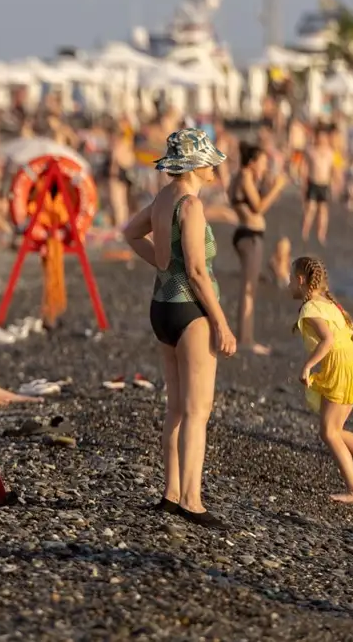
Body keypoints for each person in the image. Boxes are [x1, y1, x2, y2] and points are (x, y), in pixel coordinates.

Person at [122, 128, 236, 529]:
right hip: (190, 311)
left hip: (162, 307)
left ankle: (171, 494)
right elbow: (198, 271)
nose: (215, 168)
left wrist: (161, 263)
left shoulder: (162, 198)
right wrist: (221, 323)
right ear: (196, 166)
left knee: (175, 408)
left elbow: (130, 233)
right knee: (196, 412)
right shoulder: (190, 204)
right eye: (210, 161)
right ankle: (192, 500)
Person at [291, 256, 353, 505]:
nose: (289, 284)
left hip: (342, 366)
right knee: (335, 430)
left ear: (301, 280)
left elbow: (327, 340)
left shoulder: (310, 308)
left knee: (329, 432)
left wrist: (308, 366)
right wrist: (346, 358)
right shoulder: (332, 304)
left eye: (291, 279)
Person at [230, 144, 286, 356]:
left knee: (249, 289)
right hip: (249, 235)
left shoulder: (242, 177)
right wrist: (277, 187)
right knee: (249, 290)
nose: (265, 166)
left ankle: (245, 337)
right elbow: (259, 207)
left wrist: (268, 185)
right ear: (252, 162)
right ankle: (246, 340)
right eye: (262, 162)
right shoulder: (244, 176)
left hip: (247, 234)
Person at [300, 129, 335, 244]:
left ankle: (321, 234)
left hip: (324, 184)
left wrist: (335, 183)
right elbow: (305, 166)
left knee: (323, 211)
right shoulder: (311, 151)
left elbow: (335, 168)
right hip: (313, 182)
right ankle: (305, 232)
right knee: (310, 209)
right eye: (320, 137)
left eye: (324, 137)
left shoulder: (331, 152)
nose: (322, 140)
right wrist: (303, 182)